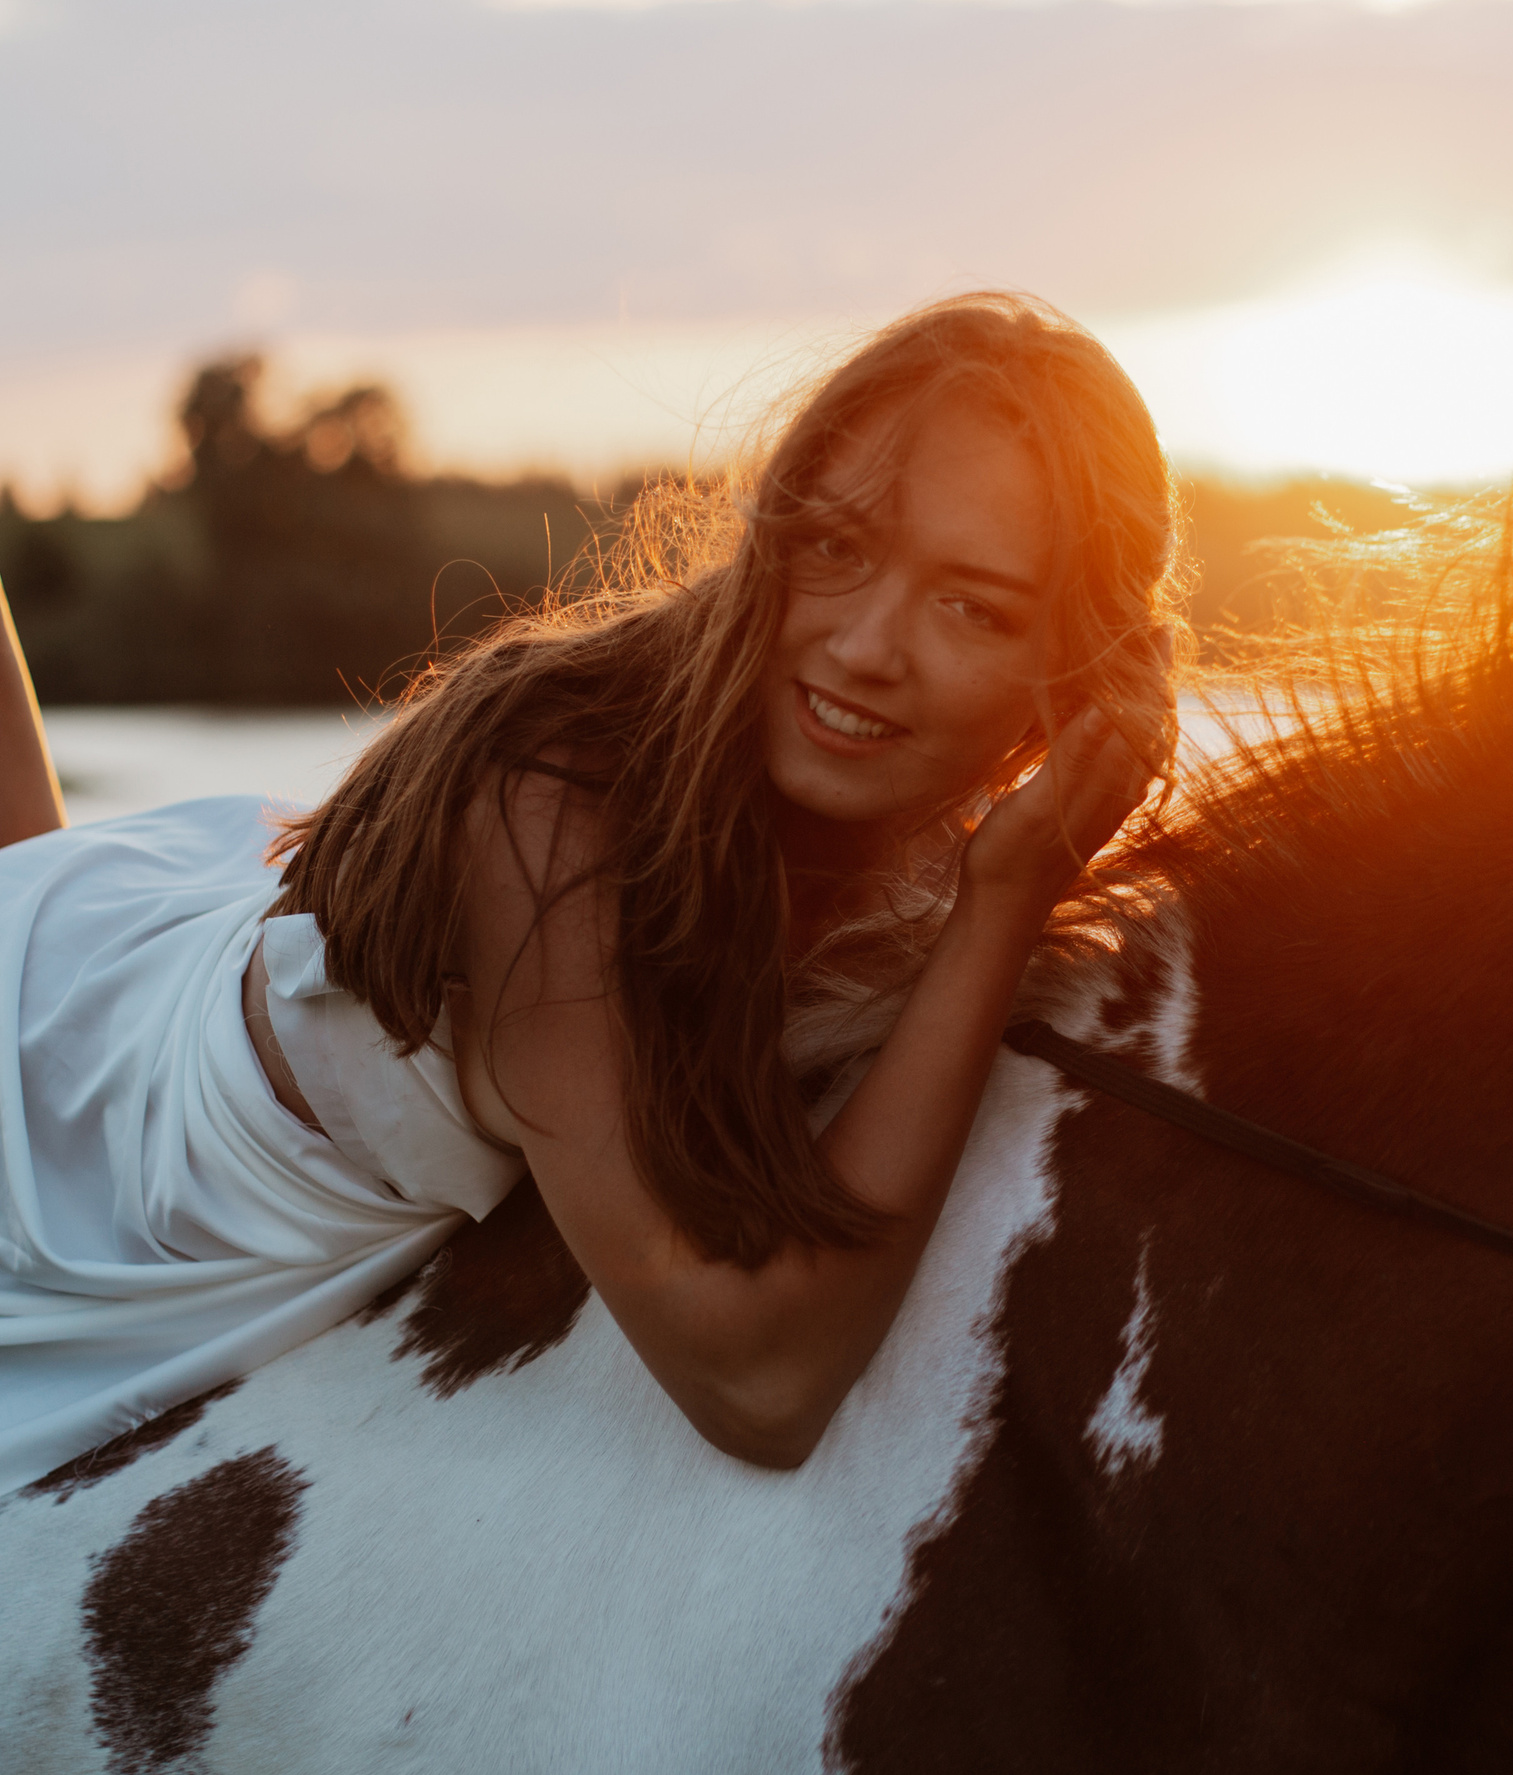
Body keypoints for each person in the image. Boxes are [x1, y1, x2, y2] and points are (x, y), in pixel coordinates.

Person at [0, 293, 1182, 1486]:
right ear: (770, 530)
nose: (869, 644)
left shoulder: (913, 846)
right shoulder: (548, 810)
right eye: (837, 546)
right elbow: (759, 1385)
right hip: (87, 1108)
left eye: (971, 606)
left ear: (1083, 673)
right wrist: (1010, 895)